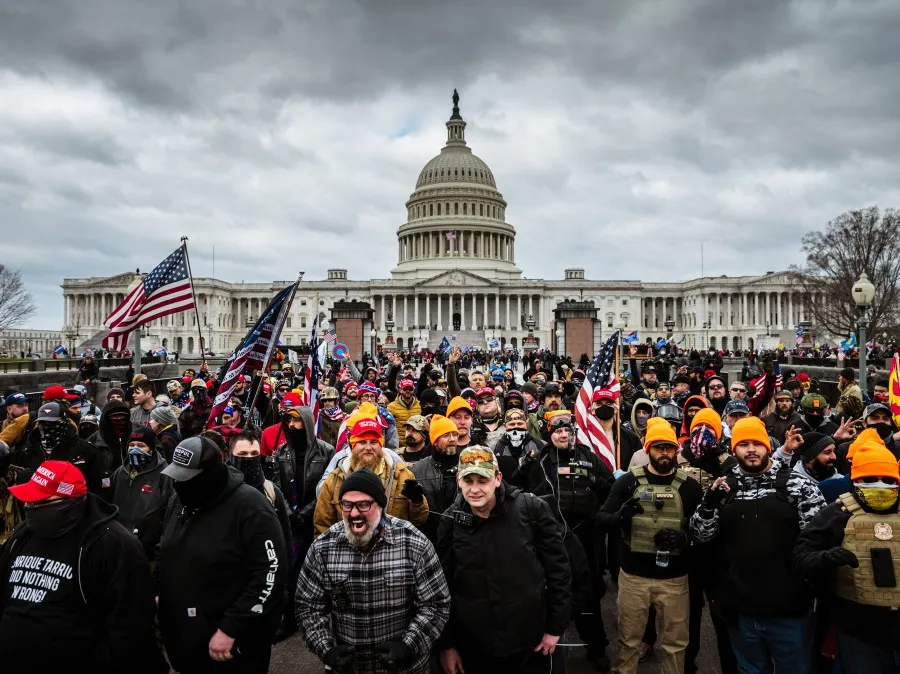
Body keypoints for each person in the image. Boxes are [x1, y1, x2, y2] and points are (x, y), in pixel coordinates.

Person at [690, 416, 827, 674]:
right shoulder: (723, 487)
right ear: (734, 449)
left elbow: (817, 543)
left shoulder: (800, 486)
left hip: (789, 612)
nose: (751, 449)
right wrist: (708, 505)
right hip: (741, 612)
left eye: (757, 443)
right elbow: (700, 536)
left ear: (767, 446)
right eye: (743, 444)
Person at [0, 460, 165, 672]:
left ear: (67, 501)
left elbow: (131, 623)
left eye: (38, 501)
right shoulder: (23, 534)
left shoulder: (114, 544)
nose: (28, 507)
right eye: (28, 501)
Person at [295, 467, 451, 674]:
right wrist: (326, 649)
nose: (354, 513)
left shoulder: (414, 543)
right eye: (347, 505)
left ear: (380, 506)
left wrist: (408, 645)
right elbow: (308, 607)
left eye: (363, 505)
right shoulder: (323, 547)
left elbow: (436, 604)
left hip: (406, 668)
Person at [157, 436, 288, 673]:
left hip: (231, 645)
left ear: (208, 474)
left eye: (187, 478)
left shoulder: (251, 507)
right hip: (187, 639)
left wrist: (231, 627)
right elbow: (168, 551)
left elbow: (270, 573)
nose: (179, 484)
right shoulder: (180, 501)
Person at [437, 446, 571, 674]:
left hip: (529, 642)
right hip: (476, 646)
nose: (475, 489)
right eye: (469, 481)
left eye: (483, 480)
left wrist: (555, 629)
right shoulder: (451, 520)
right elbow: (443, 587)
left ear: (498, 478)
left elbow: (559, 571)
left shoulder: (531, 509)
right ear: (459, 480)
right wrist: (447, 645)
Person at [597, 418, 701, 674]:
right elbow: (600, 521)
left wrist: (684, 539)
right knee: (629, 641)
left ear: (676, 449)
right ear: (647, 449)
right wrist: (620, 516)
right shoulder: (628, 482)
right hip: (634, 577)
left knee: (675, 645)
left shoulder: (689, 487)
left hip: (674, 579)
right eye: (658, 447)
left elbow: (704, 531)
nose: (664, 453)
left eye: (669, 447)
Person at [515, 411, 615, 671]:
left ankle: (597, 646)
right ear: (550, 433)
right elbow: (515, 490)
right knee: (549, 589)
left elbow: (612, 489)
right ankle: (544, 640)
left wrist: (596, 482)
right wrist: (522, 468)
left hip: (586, 535)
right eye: (558, 431)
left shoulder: (589, 457)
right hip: (551, 536)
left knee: (590, 592)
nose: (563, 435)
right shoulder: (540, 459)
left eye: (568, 431)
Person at [793, 439, 900, 673]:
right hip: (857, 630)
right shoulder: (836, 514)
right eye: (869, 480)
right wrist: (825, 559)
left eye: (888, 480)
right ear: (855, 481)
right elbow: (802, 556)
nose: (879, 486)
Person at [314, 417, 428, 536]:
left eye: (373, 442)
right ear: (353, 445)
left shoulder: (402, 476)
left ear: (381, 445)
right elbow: (322, 525)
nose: (368, 448)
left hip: (393, 550)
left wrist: (418, 502)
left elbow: (419, 520)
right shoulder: (335, 479)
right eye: (362, 442)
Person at [110, 425, 174, 560]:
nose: (135, 449)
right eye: (131, 445)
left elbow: (170, 513)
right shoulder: (120, 472)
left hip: (147, 549)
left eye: (141, 445)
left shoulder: (165, 475)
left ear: (151, 449)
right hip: (117, 542)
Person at [227, 431, 292, 557]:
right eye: (243, 454)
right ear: (231, 456)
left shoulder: (271, 491)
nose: (249, 458)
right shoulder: (220, 489)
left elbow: (285, 537)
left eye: (254, 453)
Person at [410, 414, 459, 542]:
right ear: (434, 441)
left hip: (462, 539)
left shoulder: (469, 465)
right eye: (446, 435)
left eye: (455, 434)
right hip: (429, 539)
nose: (452, 439)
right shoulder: (417, 471)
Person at [388, 378, 421, 446]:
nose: (408, 391)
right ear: (400, 390)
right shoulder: (391, 407)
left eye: (410, 389)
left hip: (417, 444)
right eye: (405, 389)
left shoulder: (420, 405)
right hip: (399, 446)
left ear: (414, 390)